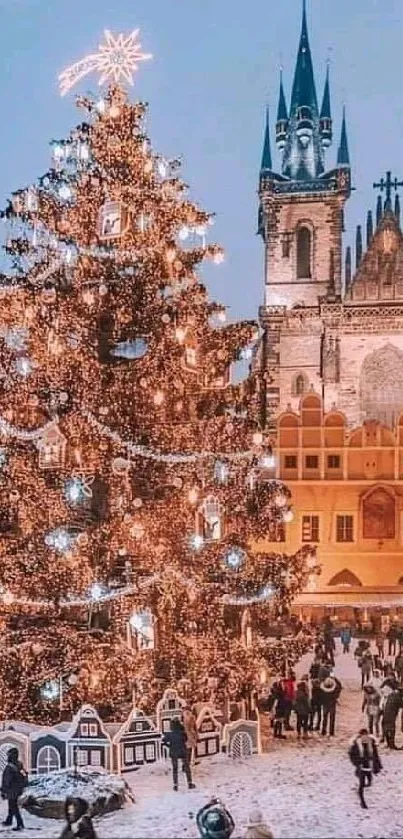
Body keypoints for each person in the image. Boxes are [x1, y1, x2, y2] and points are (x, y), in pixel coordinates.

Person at [348, 729, 382, 809]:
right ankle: (362, 801)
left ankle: (364, 788)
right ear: (360, 736)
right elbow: (352, 756)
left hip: (369, 766)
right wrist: (357, 764)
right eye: (363, 736)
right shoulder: (356, 745)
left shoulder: (371, 743)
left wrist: (378, 766)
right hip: (361, 767)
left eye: (366, 736)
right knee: (361, 784)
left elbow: (375, 755)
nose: (365, 738)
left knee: (370, 782)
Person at [162, 717, 195, 791]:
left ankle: (175, 785)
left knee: (175, 769)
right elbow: (185, 739)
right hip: (183, 751)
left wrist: (169, 745)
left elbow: (163, 741)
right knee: (187, 767)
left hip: (173, 752)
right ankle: (189, 783)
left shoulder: (169, 734)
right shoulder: (182, 733)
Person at [1, 747, 27, 832]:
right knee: (11, 805)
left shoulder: (9, 767)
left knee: (13, 806)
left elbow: (6, 780)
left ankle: (20, 824)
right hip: (18, 789)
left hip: (11, 790)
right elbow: (24, 775)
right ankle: (9, 820)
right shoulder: (19, 764)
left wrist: (3, 790)